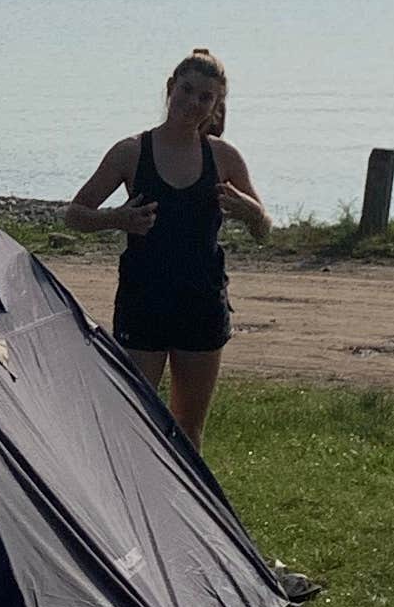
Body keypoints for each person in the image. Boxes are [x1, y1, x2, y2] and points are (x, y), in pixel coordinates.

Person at [60, 47, 272, 448]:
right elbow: (75, 213)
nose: (193, 103)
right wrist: (116, 218)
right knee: (132, 420)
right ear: (170, 88)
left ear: (216, 105)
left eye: (205, 97)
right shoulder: (131, 151)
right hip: (144, 303)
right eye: (187, 90)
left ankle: (182, 509)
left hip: (201, 305)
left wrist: (251, 213)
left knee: (187, 430)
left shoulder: (223, 158)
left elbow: (264, 228)